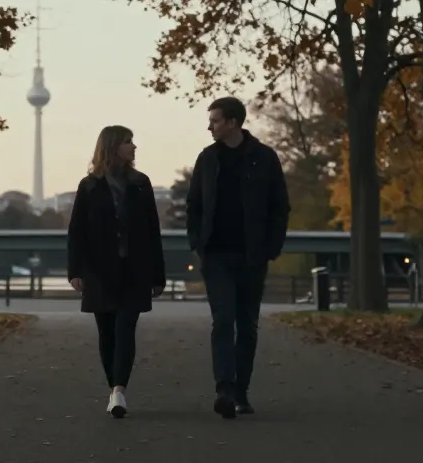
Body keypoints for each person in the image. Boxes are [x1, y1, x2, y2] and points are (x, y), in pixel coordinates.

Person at [186, 96, 290, 419]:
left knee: (247, 324)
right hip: (216, 254)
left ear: (233, 122)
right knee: (223, 320)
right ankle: (225, 389)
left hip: (252, 256)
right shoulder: (207, 159)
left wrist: (270, 248)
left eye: (215, 120)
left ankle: (241, 392)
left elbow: (279, 207)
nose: (210, 126)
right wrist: (198, 242)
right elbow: (194, 205)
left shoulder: (264, 158)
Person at [67, 125, 167, 419]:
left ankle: (119, 390)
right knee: (107, 332)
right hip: (99, 270)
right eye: (128, 142)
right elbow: (77, 232)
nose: (134, 147)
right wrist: (76, 270)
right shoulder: (89, 186)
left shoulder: (141, 183)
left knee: (125, 328)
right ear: (112, 147)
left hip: (134, 269)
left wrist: (158, 275)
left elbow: (152, 231)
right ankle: (114, 388)